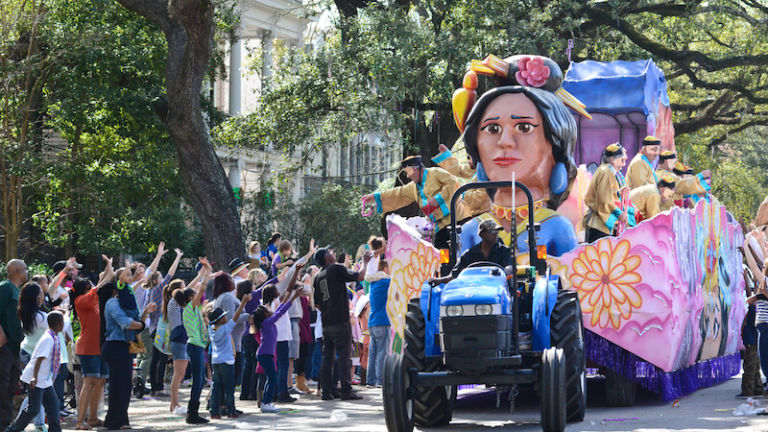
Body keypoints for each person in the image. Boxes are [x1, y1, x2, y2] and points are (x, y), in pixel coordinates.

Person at [450, 55, 584, 258]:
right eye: (492, 128)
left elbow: (570, 281)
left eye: (524, 127)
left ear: (557, 148)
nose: (504, 141)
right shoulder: (471, 231)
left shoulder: (557, 228)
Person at [313, 246, 373, 400]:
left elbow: (317, 304)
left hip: (327, 322)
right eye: (329, 253)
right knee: (344, 356)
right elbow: (360, 277)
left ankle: (327, 391)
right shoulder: (336, 269)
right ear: (326, 258)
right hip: (340, 320)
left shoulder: (318, 276)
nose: (331, 254)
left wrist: (328, 308)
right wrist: (365, 263)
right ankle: (346, 389)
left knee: (328, 358)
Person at [362, 156, 459, 249]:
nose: (408, 176)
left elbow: (454, 182)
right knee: (442, 258)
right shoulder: (413, 187)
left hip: (457, 219)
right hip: (439, 226)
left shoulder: (435, 172)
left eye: (409, 172)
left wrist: (438, 199)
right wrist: (376, 197)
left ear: (417, 168)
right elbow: (398, 194)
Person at [99, 279, 156, 430]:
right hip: (115, 347)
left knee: (124, 386)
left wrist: (145, 314)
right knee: (119, 386)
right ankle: (114, 421)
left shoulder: (124, 304)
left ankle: (121, 420)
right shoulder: (112, 303)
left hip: (123, 347)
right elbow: (126, 322)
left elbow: (135, 323)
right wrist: (142, 324)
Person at [72, 257, 115, 430]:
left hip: (99, 346)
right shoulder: (80, 301)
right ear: (85, 288)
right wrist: (108, 268)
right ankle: (80, 421)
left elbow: (103, 282)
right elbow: (100, 285)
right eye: (89, 286)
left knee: (100, 382)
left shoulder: (93, 300)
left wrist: (109, 267)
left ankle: (93, 418)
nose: (93, 288)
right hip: (88, 347)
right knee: (89, 382)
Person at [255, 265, 304, 413]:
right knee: (277, 372)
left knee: (274, 373)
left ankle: (270, 397)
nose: (279, 289)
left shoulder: (266, 311)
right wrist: (295, 274)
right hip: (273, 345)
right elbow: (282, 307)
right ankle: (274, 397)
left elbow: (286, 296)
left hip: (271, 346)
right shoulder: (271, 312)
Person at [6, 311, 65, 432]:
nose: (63, 324)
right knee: (33, 409)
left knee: (53, 405)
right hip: (36, 378)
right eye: (62, 322)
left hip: (44, 379)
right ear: (57, 323)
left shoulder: (53, 336)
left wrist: (53, 370)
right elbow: (39, 359)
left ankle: (55, 430)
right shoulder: (48, 339)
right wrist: (34, 378)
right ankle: (13, 430)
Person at [165, 263, 208, 415]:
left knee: (180, 374)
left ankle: (174, 404)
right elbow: (191, 288)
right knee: (178, 374)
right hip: (179, 340)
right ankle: (174, 404)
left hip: (181, 340)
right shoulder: (174, 303)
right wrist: (201, 276)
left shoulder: (180, 305)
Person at [430, 219, 514, 286]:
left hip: (498, 288)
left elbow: (510, 266)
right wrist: (439, 280)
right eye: (492, 232)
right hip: (474, 290)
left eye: (497, 232)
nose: (496, 234)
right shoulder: (469, 254)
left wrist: (508, 269)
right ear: (481, 234)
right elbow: (454, 275)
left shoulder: (505, 251)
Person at [208, 292, 250, 419]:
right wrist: (243, 303)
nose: (226, 317)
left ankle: (214, 411)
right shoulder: (225, 328)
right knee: (228, 387)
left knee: (216, 387)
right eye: (224, 316)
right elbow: (236, 318)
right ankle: (231, 410)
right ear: (220, 320)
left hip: (215, 361)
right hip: (227, 361)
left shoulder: (212, 329)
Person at [181, 259, 213, 424]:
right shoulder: (190, 307)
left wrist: (207, 274)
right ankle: (191, 414)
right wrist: (206, 275)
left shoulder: (195, 310)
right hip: (194, 346)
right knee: (198, 380)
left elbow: (200, 292)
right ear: (190, 298)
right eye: (194, 295)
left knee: (199, 381)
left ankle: (192, 413)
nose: (198, 296)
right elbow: (201, 290)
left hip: (197, 346)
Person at [584, 143, 636, 243]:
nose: (624, 164)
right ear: (612, 160)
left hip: (600, 223)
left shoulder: (606, 170)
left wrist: (617, 193)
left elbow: (606, 194)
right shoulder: (607, 172)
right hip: (599, 225)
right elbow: (604, 200)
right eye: (622, 160)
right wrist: (619, 213)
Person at [17, 282, 49, 432]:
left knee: (36, 391)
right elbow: (57, 325)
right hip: (37, 357)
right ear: (37, 298)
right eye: (42, 294)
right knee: (37, 391)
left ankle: (39, 424)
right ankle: (24, 425)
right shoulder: (42, 317)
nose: (43, 296)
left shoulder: (24, 313)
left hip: (25, 353)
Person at [0, 259, 26, 430]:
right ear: (16, 271)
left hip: (16, 346)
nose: (27, 271)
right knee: (2, 384)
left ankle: (7, 422)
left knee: (11, 386)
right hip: (5, 345)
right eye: (25, 269)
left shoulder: (17, 290)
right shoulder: (5, 287)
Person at [212, 273, 249, 394]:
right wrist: (247, 316)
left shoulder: (221, 297)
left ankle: (222, 402)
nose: (234, 281)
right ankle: (225, 403)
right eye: (230, 279)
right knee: (231, 376)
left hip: (230, 340)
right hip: (232, 342)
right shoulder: (227, 297)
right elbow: (231, 319)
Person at [365, 260, 391, 388]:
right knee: (382, 352)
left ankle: (370, 380)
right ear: (385, 268)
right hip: (383, 320)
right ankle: (381, 380)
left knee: (373, 352)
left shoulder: (373, 283)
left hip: (372, 321)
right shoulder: (386, 281)